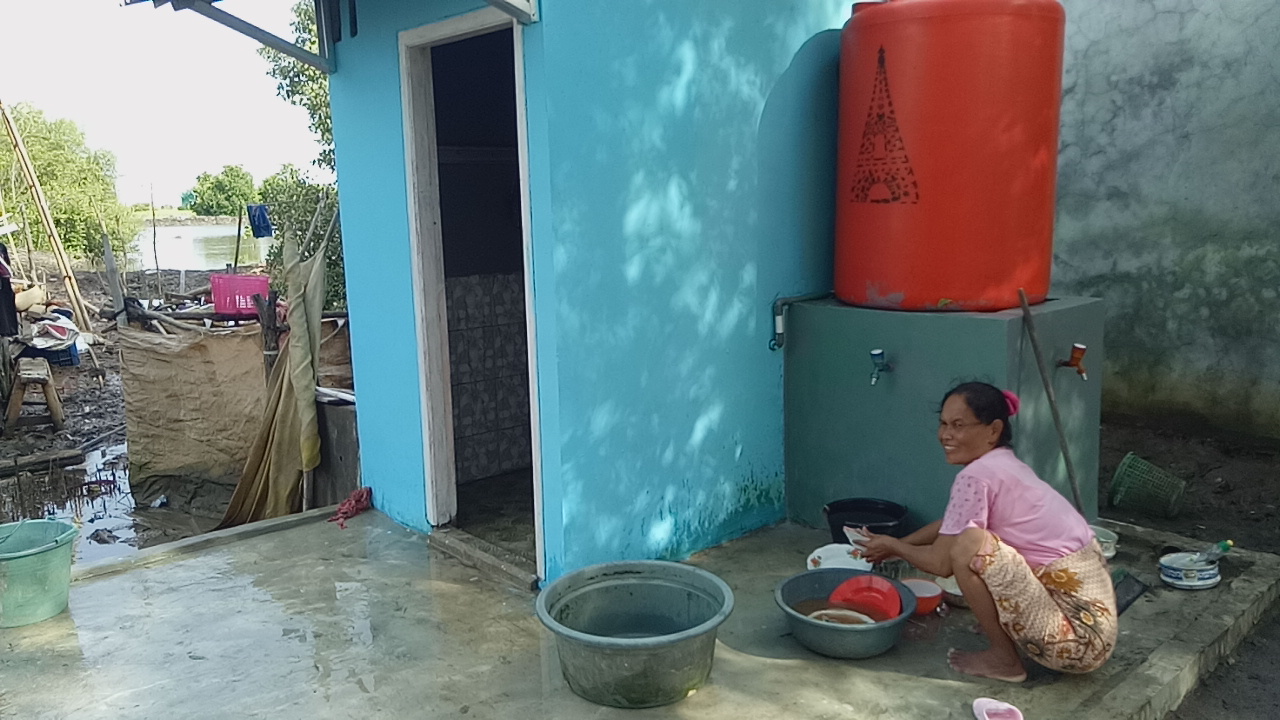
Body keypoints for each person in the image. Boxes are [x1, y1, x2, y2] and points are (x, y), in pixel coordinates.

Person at [858, 381, 1117, 682]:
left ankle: (1006, 660)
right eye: (943, 424)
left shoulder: (976, 476)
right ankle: (1008, 629)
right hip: (1095, 633)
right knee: (971, 537)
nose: (946, 435)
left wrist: (894, 545)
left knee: (970, 546)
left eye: (958, 425)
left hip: (1076, 646)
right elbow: (953, 523)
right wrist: (899, 543)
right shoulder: (1005, 465)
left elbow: (941, 563)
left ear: (993, 430)